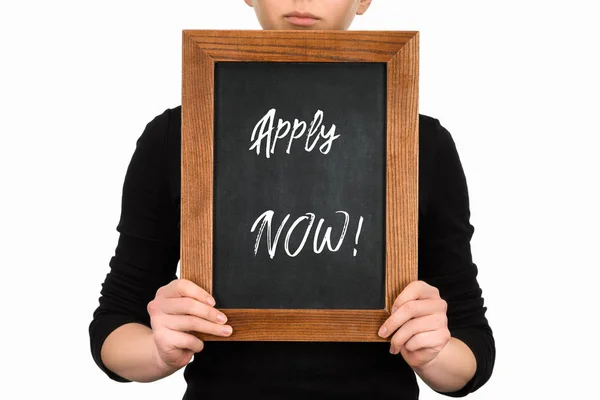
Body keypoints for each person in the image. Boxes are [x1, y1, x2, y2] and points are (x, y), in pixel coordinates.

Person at [88, 1, 495, 399]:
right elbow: (114, 325)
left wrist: (435, 352)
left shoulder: (424, 144)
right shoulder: (176, 136)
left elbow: (472, 349)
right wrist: (159, 350)